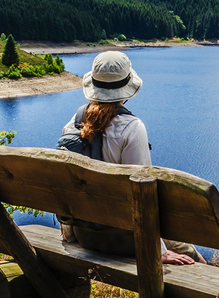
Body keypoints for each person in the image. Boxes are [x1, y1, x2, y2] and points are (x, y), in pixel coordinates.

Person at [58, 51, 206, 265]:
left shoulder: (74, 123)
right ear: (126, 89)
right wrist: (159, 250)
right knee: (194, 258)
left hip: (82, 233)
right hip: (123, 239)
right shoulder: (132, 128)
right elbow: (144, 192)